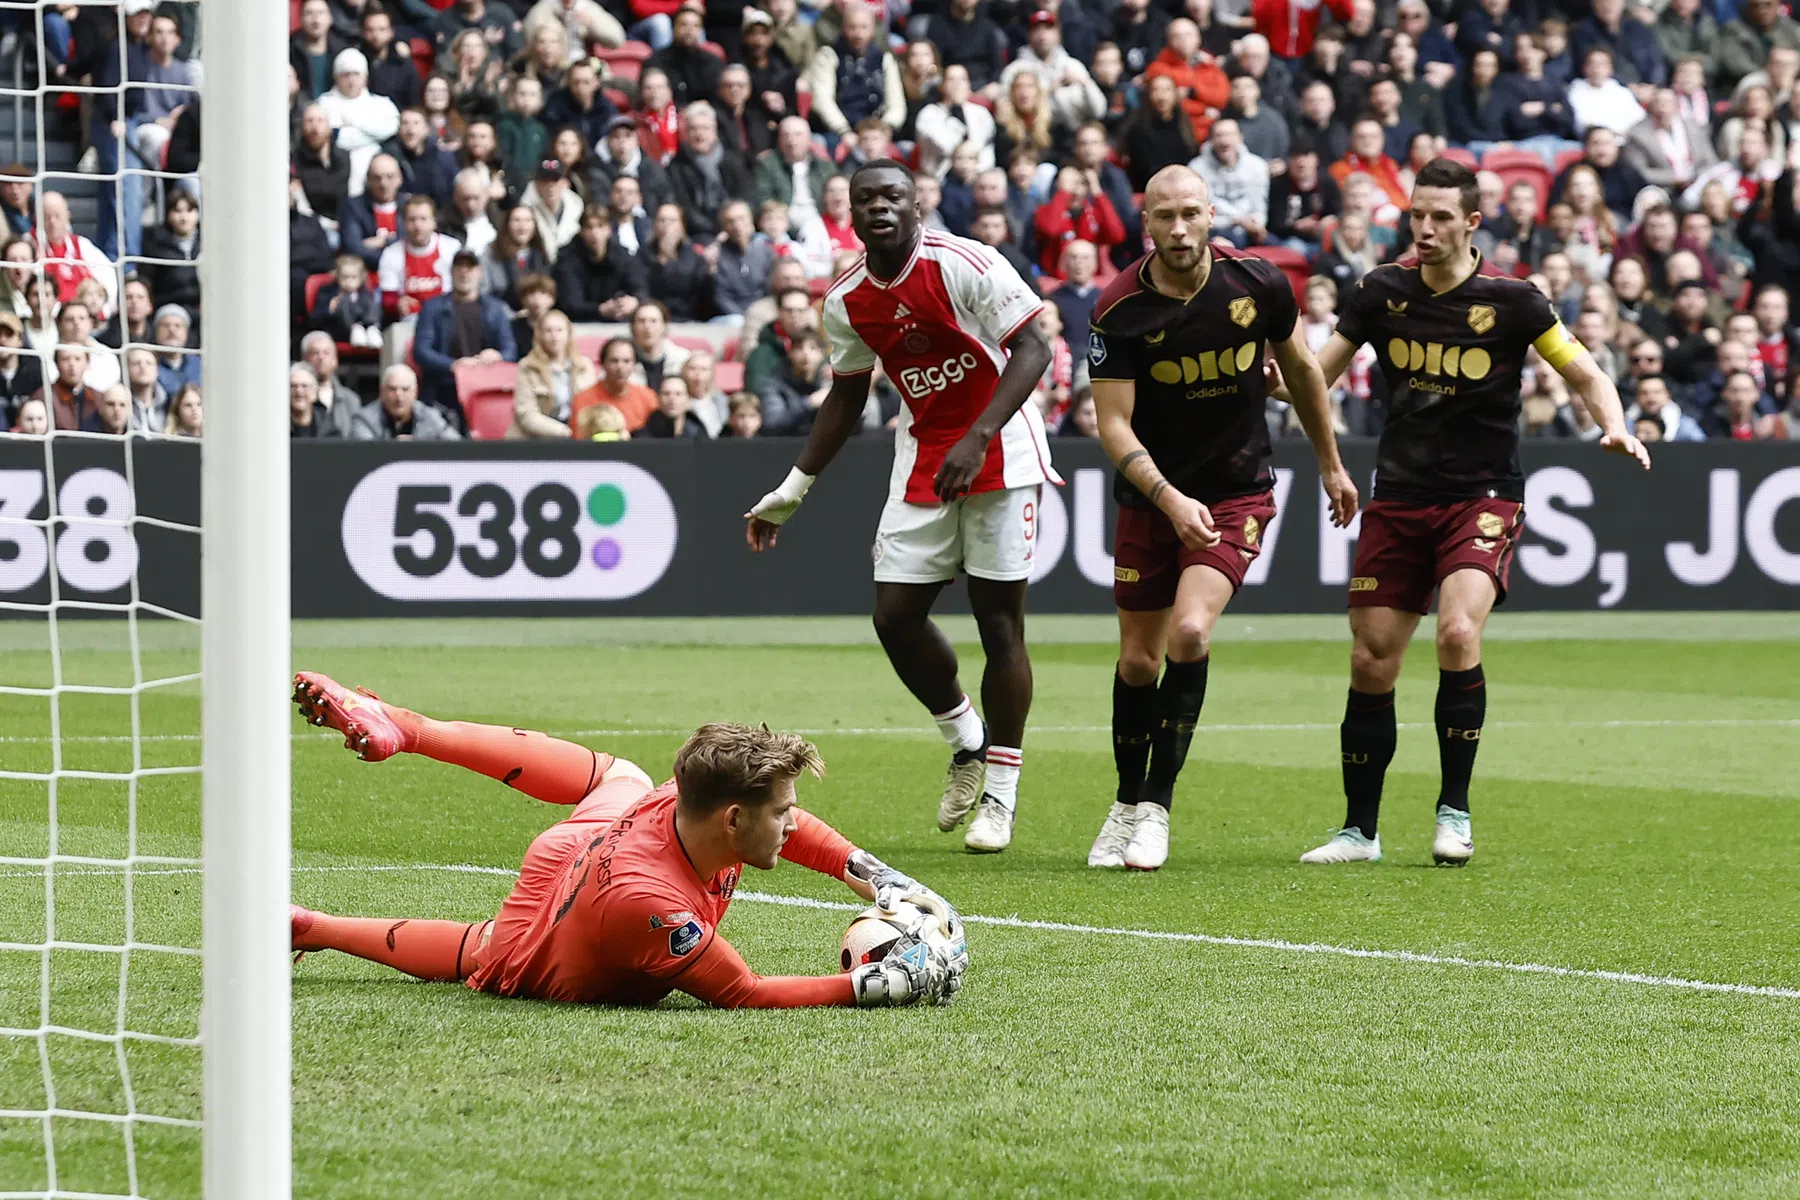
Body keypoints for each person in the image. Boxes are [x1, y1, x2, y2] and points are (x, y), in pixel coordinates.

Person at [1281, 159, 1650, 867]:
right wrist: (1266, 380)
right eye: (1416, 214)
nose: (1424, 228)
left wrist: (1613, 422)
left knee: (1456, 631)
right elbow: (1314, 376)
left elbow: (1582, 369)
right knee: (1370, 659)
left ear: (1472, 223)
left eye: (1440, 217)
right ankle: (1360, 831)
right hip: (1399, 496)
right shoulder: (1380, 293)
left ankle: (1454, 813)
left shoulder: (1514, 301)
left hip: (1482, 495)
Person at [288, 676, 965, 1009]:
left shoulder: (687, 797)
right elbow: (744, 992)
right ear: (731, 820)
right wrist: (875, 984)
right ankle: (317, 918)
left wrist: (879, 878)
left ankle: (402, 731)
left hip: (593, 843)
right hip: (565, 920)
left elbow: (801, 832)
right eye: (782, 809)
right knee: (493, 956)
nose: (793, 823)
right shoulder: (652, 907)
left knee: (624, 776)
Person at [745, 160, 1056, 854]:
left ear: (918, 206)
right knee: (894, 616)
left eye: (893, 196)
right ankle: (966, 740)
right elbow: (848, 394)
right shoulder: (848, 298)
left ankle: (1001, 795)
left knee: (999, 624)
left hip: (1001, 452)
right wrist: (792, 489)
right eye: (866, 199)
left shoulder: (965, 263)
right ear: (850, 215)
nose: (879, 207)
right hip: (923, 455)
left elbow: (1036, 347)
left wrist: (979, 438)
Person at [1083, 165, 1353, 872]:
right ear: (1145, 225)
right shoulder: (1118, 308)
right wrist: (1168, 498)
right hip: (1153, 497)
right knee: (1139, 660)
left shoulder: (1259, 283)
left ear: (1211, 216)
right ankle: (1125, 801)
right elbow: (1112, 424)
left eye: (1190, 215)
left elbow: (1301, 374)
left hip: (1237, 489)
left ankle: (1157, 809)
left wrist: (1329, 462)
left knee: (1191, 631)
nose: (1178, 229)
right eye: (1164, 217)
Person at [413, 250, 518, 418]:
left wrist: (497, 356)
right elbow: (421, 351)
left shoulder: (495, 308)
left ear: (480, 272)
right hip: (444, 389)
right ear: (451, 271)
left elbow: (510, 349)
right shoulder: (432, 308)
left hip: (485, 388)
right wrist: (454, 365)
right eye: (459, 267)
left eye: (470, 267)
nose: (464, 272)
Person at [509, 307, 596, 438]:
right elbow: (527, 415)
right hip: (537, 438)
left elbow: (592, 407)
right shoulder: (527, 366)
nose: (554, 335)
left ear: (568, 334)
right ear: (539, 335)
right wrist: (565, 432)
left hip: (577, 434)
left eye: (559, 330)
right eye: (548, 331)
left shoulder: (584, 366)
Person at [551, 203, 645, 322]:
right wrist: (600, 309)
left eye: (600, 226)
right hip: (579, 324)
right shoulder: (567, 260)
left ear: (609, 230)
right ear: (581, 231)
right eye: (589, 227)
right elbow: (570, 303)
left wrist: (634, 301)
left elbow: (641, 287)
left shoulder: (623, 256)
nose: (595, 233)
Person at [378, 195, 461, 321]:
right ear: (404, 223)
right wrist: (397, 303)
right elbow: (388, 297)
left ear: (434, 222)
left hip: (447, 315)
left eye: (423, 219)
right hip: (410, 319)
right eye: (412, 219)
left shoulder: (452, 248)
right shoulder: (391, 254)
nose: (417, 225)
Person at [352, 363, 462, 439]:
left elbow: (456, 446)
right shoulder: (364, 419)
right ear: (382, 391)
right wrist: (394, 448)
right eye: (392, 389)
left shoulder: (430, 417)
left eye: (405, 389)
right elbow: (364, 455)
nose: (399, 396)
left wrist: (417, 447)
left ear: (415, 392)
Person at [571, 335, 658, 431]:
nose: (620, 367)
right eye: (614, 361)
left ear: (634, 366)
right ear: (603, 364)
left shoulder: (648, 398)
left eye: (626, 361)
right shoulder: (583, 400)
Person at [290, 362, 353, 438]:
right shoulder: (276, 425)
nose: (299, 391)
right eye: (293, 386)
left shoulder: (328, 427)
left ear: (315, 392)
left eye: (304, 386)